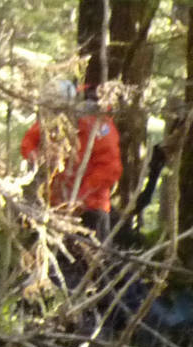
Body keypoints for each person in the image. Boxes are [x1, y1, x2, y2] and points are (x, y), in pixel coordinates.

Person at [20, 81, 122, 243]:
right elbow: (29, 141)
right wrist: (38, 157)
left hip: (91, 210)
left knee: (88, 262)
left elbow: (110, 168)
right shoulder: (55, 121)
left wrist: (81, 196)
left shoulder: (99, 126)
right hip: (54, 207)